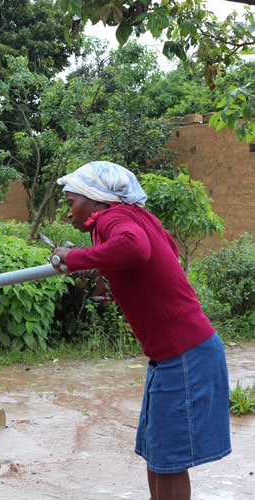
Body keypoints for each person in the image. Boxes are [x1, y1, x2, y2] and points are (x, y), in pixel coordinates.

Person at [51, 161, 231, 500]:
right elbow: (164, 250)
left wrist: (74, 259)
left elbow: (135, 248)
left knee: (169, 461)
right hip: (176, 356)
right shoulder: (133, 216)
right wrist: (100, 265)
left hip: (184, 356)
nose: (67, 213)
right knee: (158, 456)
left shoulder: (111, 218)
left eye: (70, 201)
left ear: (96, 199)